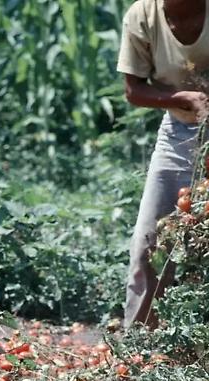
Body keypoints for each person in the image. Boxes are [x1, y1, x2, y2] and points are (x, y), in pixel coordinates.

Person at [118, 0, 209, 327]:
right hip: (179, 131)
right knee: (149, 245)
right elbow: (133, 90)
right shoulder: (143, 16)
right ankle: (138, 352)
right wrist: (181, 99)